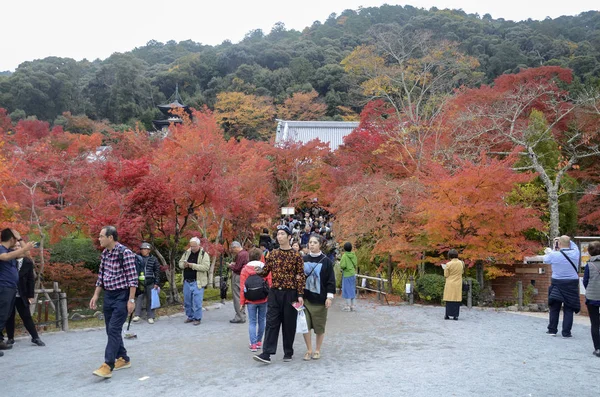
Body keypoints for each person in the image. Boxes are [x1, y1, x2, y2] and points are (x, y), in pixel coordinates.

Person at [89, 226, 138, 378]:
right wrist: (96, 295)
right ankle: (123, 358)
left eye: (101, 236)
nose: (99, 239)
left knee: (114, 329)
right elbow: (101, 277)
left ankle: (108, 364)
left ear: (110, 237)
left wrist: (131, 300)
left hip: (122, 295)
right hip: (108, 295)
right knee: (110, 329)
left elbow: (133, 279)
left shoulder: (125, 253)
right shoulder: (105, 253)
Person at [253, 225, 305, 364]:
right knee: (271, 323)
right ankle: (266, 353)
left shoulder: (296, 256)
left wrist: (300, 294)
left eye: (282, 234)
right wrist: (258, 270)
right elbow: (266, 271)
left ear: (289, 237)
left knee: (289, 324)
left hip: (292, 294)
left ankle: (288, 351)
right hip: (275, 292)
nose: (279, 236)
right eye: (278, 234)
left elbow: (300, 275)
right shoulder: (273, 254)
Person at [0, 240, 45, 347]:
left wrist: (30, 295)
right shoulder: (7, 261)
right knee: (8, 316)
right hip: (8, 293)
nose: (16, 248)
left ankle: (35, 337)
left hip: (22, 294)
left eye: (18, 246)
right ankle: (10, 338)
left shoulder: (27, 262)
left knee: (26, 316)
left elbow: (30, 280)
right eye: (14, 246)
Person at [0, 229, 35, 357]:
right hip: (3, 287)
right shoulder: (2, 250)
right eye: (15, 239)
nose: (16, 242)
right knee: (2, 315)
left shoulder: (10, 250)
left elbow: (25, 253)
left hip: (10, 288)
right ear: (11, 239)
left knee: (4, 315)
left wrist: (20, 239)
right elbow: (5, 258)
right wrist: (22, 246)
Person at [301, 234, 336, 361]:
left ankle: (317, 349)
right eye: (310, 242)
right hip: (305, 299)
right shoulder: (303, 259)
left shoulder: (326, 261)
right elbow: (298, 278)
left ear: (320, 244)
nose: (312, 244)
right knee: (305, 325)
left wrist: (329, 297)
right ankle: (309, 349)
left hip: (320, 300)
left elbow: (330, 281)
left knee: (319, 327)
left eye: (315, 242)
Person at [543, 235, 580, 337]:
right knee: (569, 308)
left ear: (559, 243)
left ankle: (552, 330)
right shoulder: (576, 252)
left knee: (554, 307)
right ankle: (566, 332)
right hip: (572, 282)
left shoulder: (554, 255)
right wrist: (564, 240)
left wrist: (554, 248)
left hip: (557, 283)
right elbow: (572, 244)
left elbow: (545, 259)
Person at [240, 248, 272, 352]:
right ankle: (259, 341)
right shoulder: (265, 268)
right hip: (263, 298)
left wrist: (242, 302)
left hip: (250, 300)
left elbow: (242, 287)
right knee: (262, 320)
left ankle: (253, 344)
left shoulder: (245, 269)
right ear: (260, 256)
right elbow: (270, 284)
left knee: (252, 322)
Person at [178, 237, 210, 326]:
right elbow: (180, 263)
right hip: (187, 281)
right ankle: (190, 316)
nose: (192, 248)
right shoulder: (187, 253)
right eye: (191, 246)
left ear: (198, 245)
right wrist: (183, 265)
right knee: (187, 301)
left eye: (194, 246)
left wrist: (192, 265)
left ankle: (197, 318)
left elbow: (206, 267)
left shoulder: (204, 254)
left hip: (197, 281)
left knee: (197, 302)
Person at [132, 242, 161, 324]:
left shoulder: (153, 259)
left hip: (150, 281)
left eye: (145, 249)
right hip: (140, 282)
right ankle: (137, 315)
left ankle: (150, 316)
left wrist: (156, 283)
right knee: (139, 298)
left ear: (149, 250)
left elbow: (157, 271)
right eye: (142, 249)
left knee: (151, 299)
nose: (143, 250)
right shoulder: (137, 258)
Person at [583, 241, 600, 357]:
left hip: (592, 298)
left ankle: (598, 349)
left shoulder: (589, 265)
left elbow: (585, 281)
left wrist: (589, 289)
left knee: (595, 324)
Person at [228, 241, 248, 324]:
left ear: (236, 247)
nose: (232, 251)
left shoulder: (240, 254)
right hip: (244, 276)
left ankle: (239, 316)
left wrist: (230, 265)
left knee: (237, 296)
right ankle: (242, 315)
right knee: (241, 296)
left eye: (232, 249)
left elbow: (237, 268)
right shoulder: (246, 253)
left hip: (238, 276)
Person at [442, 249, 464, 320]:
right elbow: (462, 272)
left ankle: (447, 315)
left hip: (450, 283)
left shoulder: (448, 264)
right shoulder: (461, 263)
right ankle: (455, 315)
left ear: (449, 256)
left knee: (449, 299)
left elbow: (446, 275)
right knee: (456, 299)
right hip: (458, 283)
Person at [339, 242, 357, 312]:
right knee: (352, 289)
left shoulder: (344, 256)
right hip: (352, 273)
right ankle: (353, 305)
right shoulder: (353, 255)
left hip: (346, 274)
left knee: (346, 289)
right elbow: (355, 263)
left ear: (344, 248)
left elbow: (342, 265)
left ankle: (348, 306)